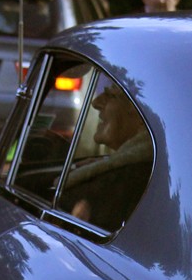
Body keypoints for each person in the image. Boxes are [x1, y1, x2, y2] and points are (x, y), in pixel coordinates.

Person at [60, 79, 152, 229]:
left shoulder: (115, 185)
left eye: (112, 95)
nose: (96, 102)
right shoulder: (148, 172)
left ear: (144, 115)